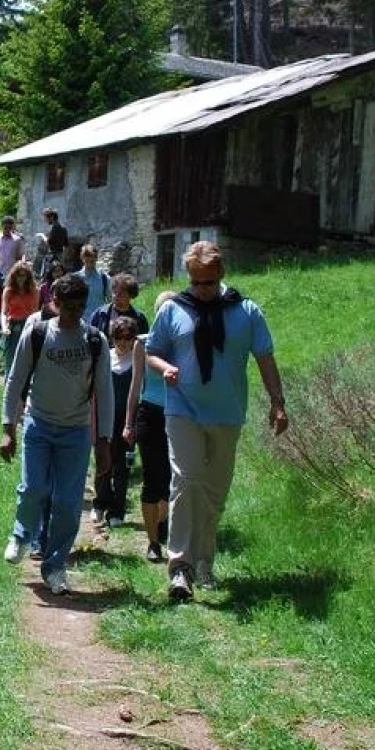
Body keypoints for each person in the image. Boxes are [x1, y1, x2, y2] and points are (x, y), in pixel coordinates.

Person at [144, 240, 288, 601]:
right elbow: (152, 352)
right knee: (187, 480)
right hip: (183, 410)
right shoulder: (174, 309)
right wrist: (166, 369)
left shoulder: (246, 311)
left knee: (214, 493)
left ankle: (205, 562)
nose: (202, 291)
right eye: (196, 283)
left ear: (221, 275)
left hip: (227, 413)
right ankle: (180, 568)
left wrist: (278, 402)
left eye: (208, 283)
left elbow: (265, 358)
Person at [0, 273, 115, 595]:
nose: (74, 313)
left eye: (80, 307)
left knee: (67, 502)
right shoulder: (37, 333)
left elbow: (105, 393)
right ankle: (21, 536)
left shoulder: (95, 341)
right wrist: (8, 427)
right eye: (68, 307)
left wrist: (103, 441)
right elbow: (15, 380)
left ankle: (55, 566)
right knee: (34, 487)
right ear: (55, 303)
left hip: (75, 431)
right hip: (38, 424)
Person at [127, 292, 177, 563]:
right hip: (150, 414)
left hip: (178, 415)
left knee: (172, 478)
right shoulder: (142, 344)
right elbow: (135, 386)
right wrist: (128, 423)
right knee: (151, 477)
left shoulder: (183, 345)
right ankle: (153, 542)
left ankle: (166, 528)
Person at [94, 315, 140, 532]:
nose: (123, 342)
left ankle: (117, 509)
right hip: (104, 417)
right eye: (119, 337)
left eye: (128, 337)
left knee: (122, 466)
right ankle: (100, 501)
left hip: (127, 420)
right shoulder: (105, 358)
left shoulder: (139, 360)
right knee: (103, 461)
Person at [2, 261, 39, 372]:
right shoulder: (8, 291)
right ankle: (8, 384)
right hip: (13, 326)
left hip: (28, 325)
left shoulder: (35, 291)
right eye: (18, 275)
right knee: (11, 358)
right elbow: (4, 312)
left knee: (27, 358)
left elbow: (35, 311)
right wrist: (4, 327)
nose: (21, 278)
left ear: (28, 276)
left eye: (24, 275)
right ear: (14, 276)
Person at [91, 272, 148, 338]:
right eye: (114, 292)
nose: (116, 296)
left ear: (130, 295)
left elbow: (144, 342)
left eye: (120, 294)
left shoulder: (140, 318)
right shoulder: (100, 314)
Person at [75, 244, 111, 324]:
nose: (89, 263)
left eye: (92, 260)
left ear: (96, 258)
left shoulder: (104, 278)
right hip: (80, 321)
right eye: (87, 260)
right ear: (82, 258)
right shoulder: (76, 278)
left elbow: (110, 301)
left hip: (99, 320)